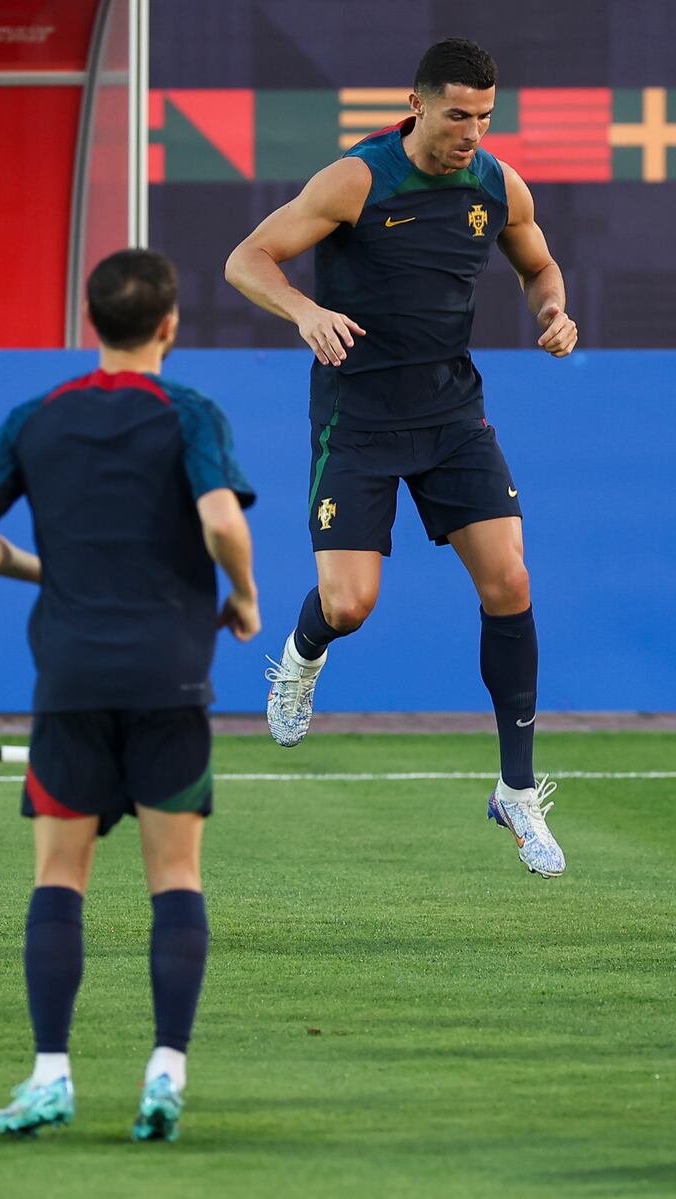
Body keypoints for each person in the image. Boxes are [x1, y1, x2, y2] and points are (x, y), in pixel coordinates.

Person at [225, 37, 577, 879]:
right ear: (416, 104)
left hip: (454, 413)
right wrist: (304, 310)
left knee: (512, 582)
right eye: (459, 115)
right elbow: (246, 260)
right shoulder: (358, 178)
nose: (473, 132)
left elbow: (538, 265)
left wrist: (553, 309)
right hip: (360, 415)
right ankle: (303, 658)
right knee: (349, 605)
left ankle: (517, 793)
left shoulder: (497, 183)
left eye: (486, 117)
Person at [0, 248, 259, 1141]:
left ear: (92, 324)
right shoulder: (189, 411)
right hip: (170, 675)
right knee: (176, 877)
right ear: (169, 324)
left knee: (58, 878)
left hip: (72, 676)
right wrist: (243, 595)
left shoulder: (37, 416)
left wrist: (49, 570)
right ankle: (165, 1071)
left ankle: (50, 1074)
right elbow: (220, 516)